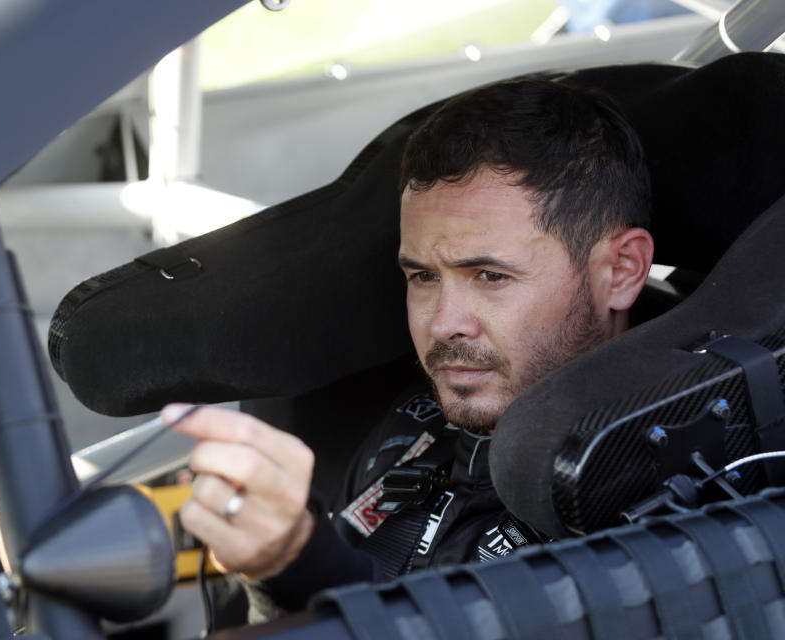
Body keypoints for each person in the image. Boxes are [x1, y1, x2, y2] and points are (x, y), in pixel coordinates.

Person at [161, 77, 655, 619]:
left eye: (490, 275)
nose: (443, 324)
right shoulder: (409, 423)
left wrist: (297, 565)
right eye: (422, 276)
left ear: (621, 271)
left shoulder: (665, 502)